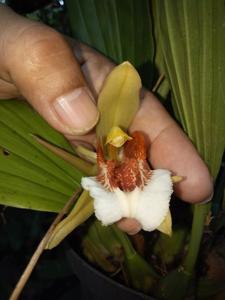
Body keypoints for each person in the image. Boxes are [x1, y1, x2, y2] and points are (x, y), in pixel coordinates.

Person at [0, 5, 213, 234]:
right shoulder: (105, 157)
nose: (121, 146)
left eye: (126, 144)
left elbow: (150, 202)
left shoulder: (126, 163)